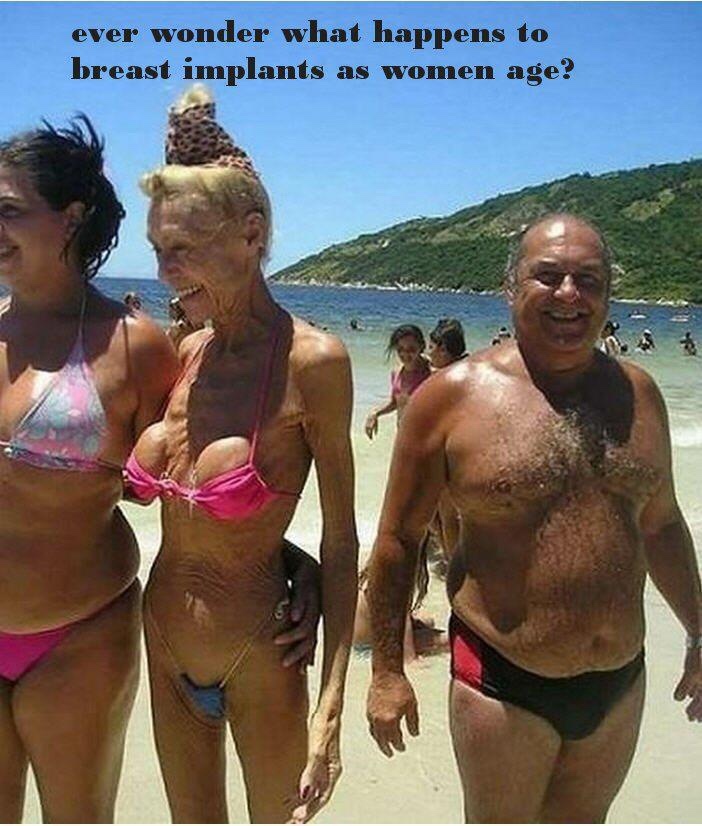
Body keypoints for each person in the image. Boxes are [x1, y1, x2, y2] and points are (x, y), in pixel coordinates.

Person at [365, 214, 702, 823]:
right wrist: (387, 671)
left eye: (588, 279)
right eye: (548, 276)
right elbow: (398, 540)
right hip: (502, 678)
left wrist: (699, 633)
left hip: (620, 680)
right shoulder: (450, 397)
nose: (569, 294)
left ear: (608, 294)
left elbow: (662, 525)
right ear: (511, 286)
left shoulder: (640, 394)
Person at [124, 86, 358, 823]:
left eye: (184, 249)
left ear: (251, 234)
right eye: (158, 251)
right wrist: (294, 557)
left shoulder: (313, 362)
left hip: (260, 650)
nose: (165, 272)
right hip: (162, 637)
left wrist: (331, 705)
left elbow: (343, 536)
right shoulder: (186, 352)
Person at [0, 116, 179, 822]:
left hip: (77, 633)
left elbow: (185, 490)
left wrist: (287, 567)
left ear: (71, 217)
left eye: (9, 210)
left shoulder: (135, 348)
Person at [364, 324, 430, 439]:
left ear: (421, 347)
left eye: (411, 349)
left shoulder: (431, 374)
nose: (405, 354)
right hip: (403, 436)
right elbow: (396, 403)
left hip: (425, 438)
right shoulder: (397, 373)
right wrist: (375, 413)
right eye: (400, 349)